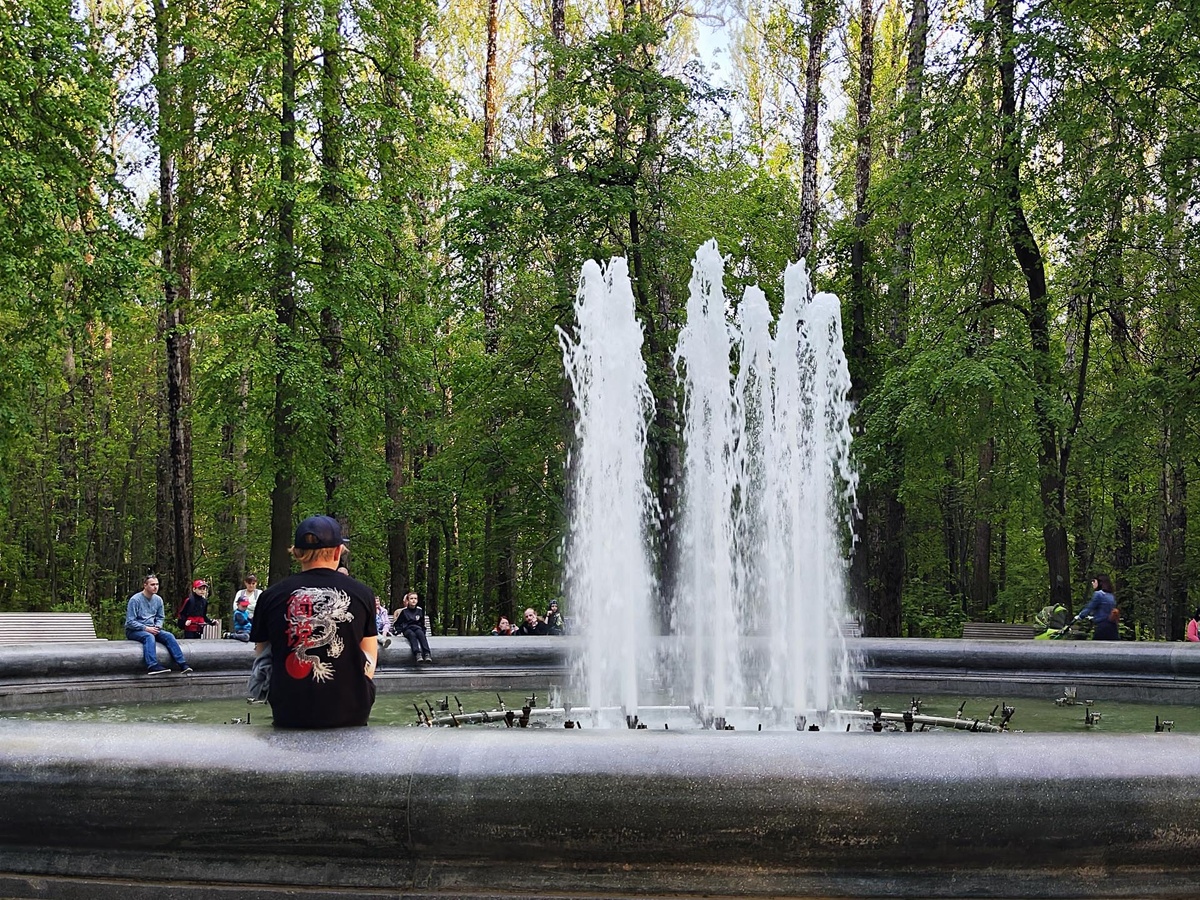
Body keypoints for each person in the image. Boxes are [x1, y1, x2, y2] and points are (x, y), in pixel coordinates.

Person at [249, 515, 378, 728]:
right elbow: (369, 656)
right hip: (351, 711)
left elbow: (263, 655)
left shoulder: (270, 596)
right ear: (337, 552)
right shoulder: (362, 594)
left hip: (290, 713)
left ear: (296, 553)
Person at [125, 574, 192, 675]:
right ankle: (152, 665)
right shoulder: (135, 600)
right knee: (149, 637)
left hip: (153, 628)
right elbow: (130, 622)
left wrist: (158, 626)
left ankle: (182, 664)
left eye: (157, 584)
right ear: (145, 585)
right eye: (152, 584)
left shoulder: (158, 600)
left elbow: (160, 617)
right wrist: (146, 628)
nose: (155, 587)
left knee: (169, 636)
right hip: (135, 630)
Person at [1074, 574, 1119, 641]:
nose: (1092, 583)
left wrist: (1080, 616)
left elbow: (1089, 607)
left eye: (1094, 581)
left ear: (1100, 582)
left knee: (1096, 645)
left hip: (1102, 626)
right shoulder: (1111, 595)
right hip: (1112, 626)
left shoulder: (1098, 594)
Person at [393, 591, 431, 662]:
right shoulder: (404, 612)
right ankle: (417, 653)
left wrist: (423, 630)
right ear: (407, 600)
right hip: (408, 629)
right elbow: (397, 624)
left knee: (421, 634)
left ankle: (427, 653)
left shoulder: (419, 611)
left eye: (415, 598)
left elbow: (422, 623)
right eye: (411, 598)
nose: (413, 600)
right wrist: (399, 631)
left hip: (417, 628)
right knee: (412, 635)